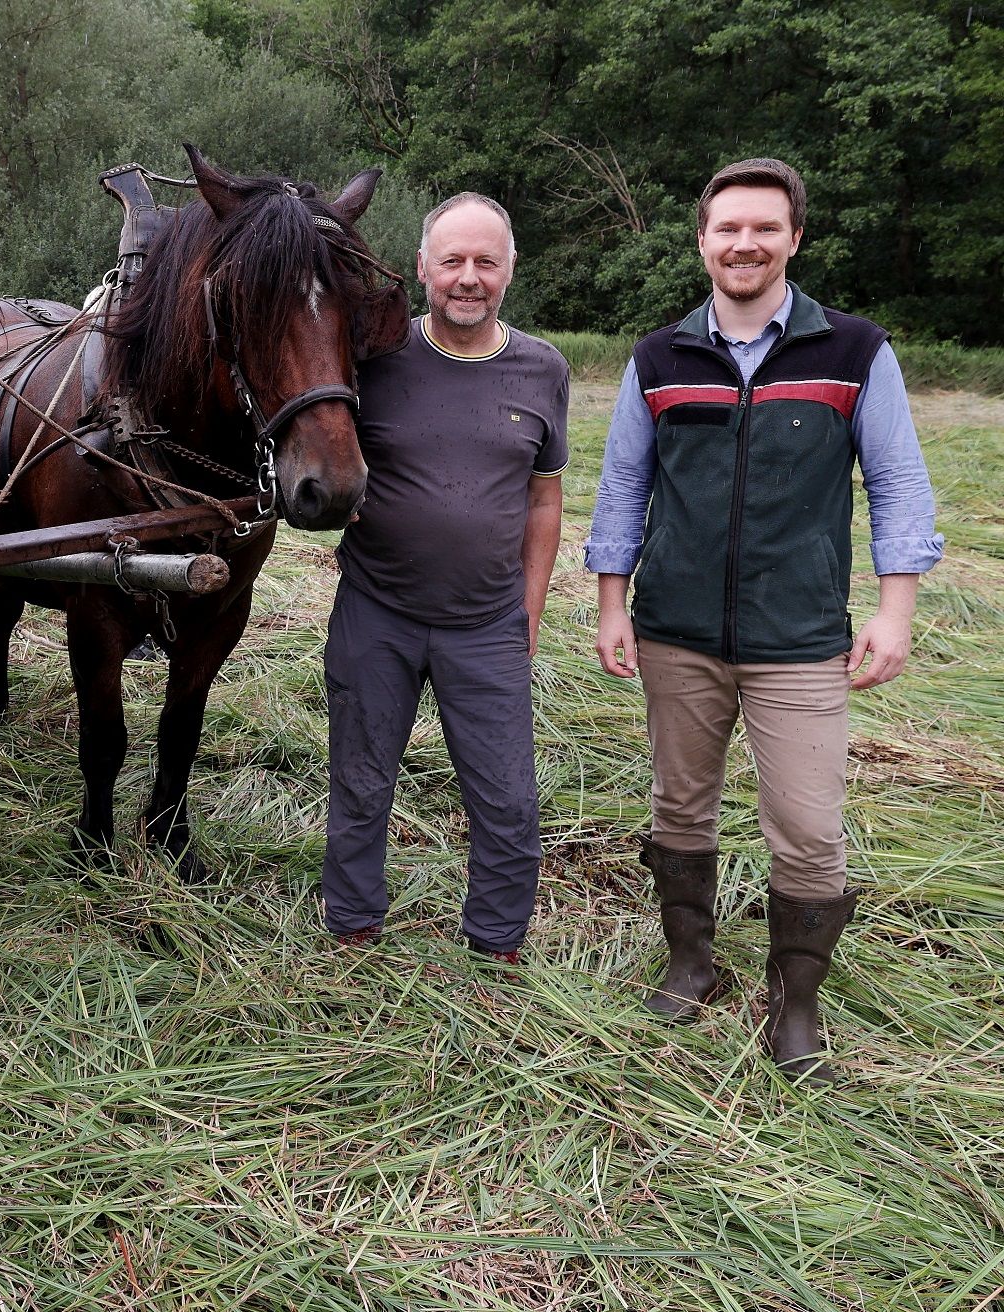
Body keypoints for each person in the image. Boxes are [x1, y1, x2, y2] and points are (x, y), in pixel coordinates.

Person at [586, 157, 942, 1083]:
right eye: (727, 228)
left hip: (801, 638)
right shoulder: (658, 358)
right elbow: (623, 485)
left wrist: (894, 610)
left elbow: (898, 483)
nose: (745, 243)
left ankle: (798, 1001)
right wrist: (613, 603)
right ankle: (691, 963)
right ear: (702, 240)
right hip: (675, 632)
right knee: (678, 805)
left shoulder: (855, 352)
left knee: (809, 826)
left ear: (794, 238)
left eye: (764, 228)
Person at [321, 193, 569, 963]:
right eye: (452, 260)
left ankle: (496, 943)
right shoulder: (376, 359)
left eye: (485, 262)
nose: (469, 278)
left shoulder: (543, 368)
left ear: (509, 269)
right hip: (376, 612)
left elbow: (544, 498)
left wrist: (527, 610)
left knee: (506, 800)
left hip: (487, 623)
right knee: (361, 782)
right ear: (422, 265)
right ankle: (352, 922)